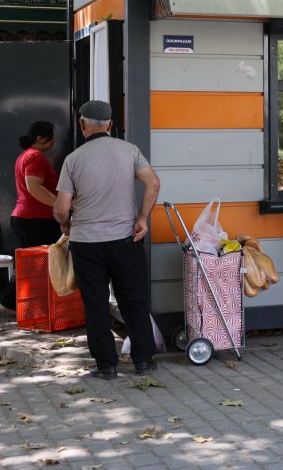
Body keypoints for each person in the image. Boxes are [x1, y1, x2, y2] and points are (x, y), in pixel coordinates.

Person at [53, 100, 161, 380]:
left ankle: (106, 366)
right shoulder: (130, 151)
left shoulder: (73, 159)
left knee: (96, 304)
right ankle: (143, 361)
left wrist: (66, 225)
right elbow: (153, 183)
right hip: (126, 240)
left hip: (87, 244)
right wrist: (142, 218)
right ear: (110, 124)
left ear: (82, 124)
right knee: (134, 300)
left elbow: (62, 208)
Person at [0, 121, 62, 312]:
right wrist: (59, 204)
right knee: (37, 264)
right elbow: (34, 187)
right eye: (51, 138)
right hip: (35, 219)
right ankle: (13, 302)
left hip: (27, 218)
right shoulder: (36, 157)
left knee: (31, 263)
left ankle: (15, 303)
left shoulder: (26, 156)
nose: (54, 142)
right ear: (39, 138)